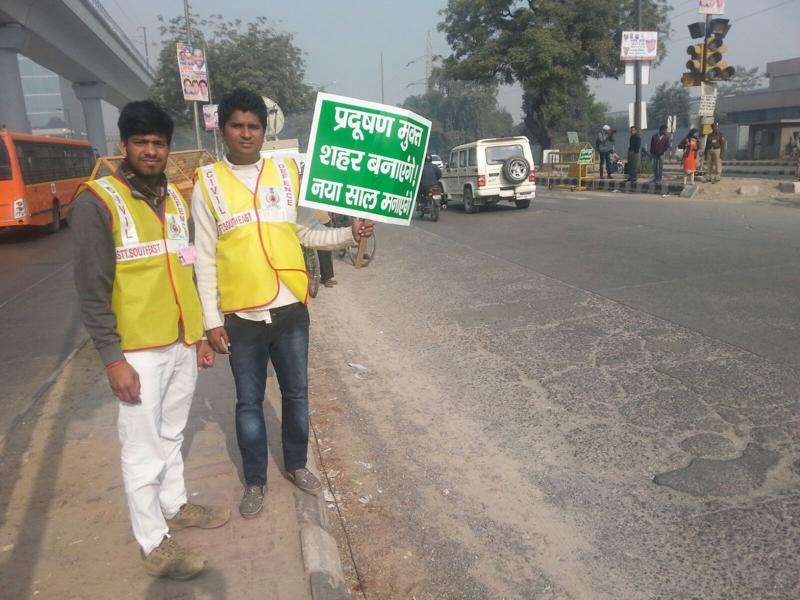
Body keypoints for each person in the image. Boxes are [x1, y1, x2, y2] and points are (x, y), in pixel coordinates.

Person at [191, 89, 374, 519]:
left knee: (296, 394)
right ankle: (255, 479)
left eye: (253, 125)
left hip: (291, 309)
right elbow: (203, 256)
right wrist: (211, 321)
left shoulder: (285, 173)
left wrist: (351, 234)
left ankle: (296, 464)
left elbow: (307, 233)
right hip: (241, 315)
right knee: (248, 403)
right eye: (237, 125)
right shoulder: (208, 183)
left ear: (264, 129)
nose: (246, 133)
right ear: (224, 128)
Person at [70, 101, 230, 581]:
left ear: (167, 147)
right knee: (140, 447)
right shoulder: (97, 202)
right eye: (141, 142)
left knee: (172, 434)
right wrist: (112, 359)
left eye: (159, 142)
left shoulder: (175, 199)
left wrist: (199, 334)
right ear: (124, 146)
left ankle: (174, 505)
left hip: (182, 341)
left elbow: (186, 266)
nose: (151, 150)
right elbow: (91, 290)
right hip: (137, 351)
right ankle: (153, 541)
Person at [315, 211, 336, 287]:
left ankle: (327, 277)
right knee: (322, 252)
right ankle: (326, 278)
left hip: (325, 220)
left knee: (327, 250)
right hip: (315, 223)